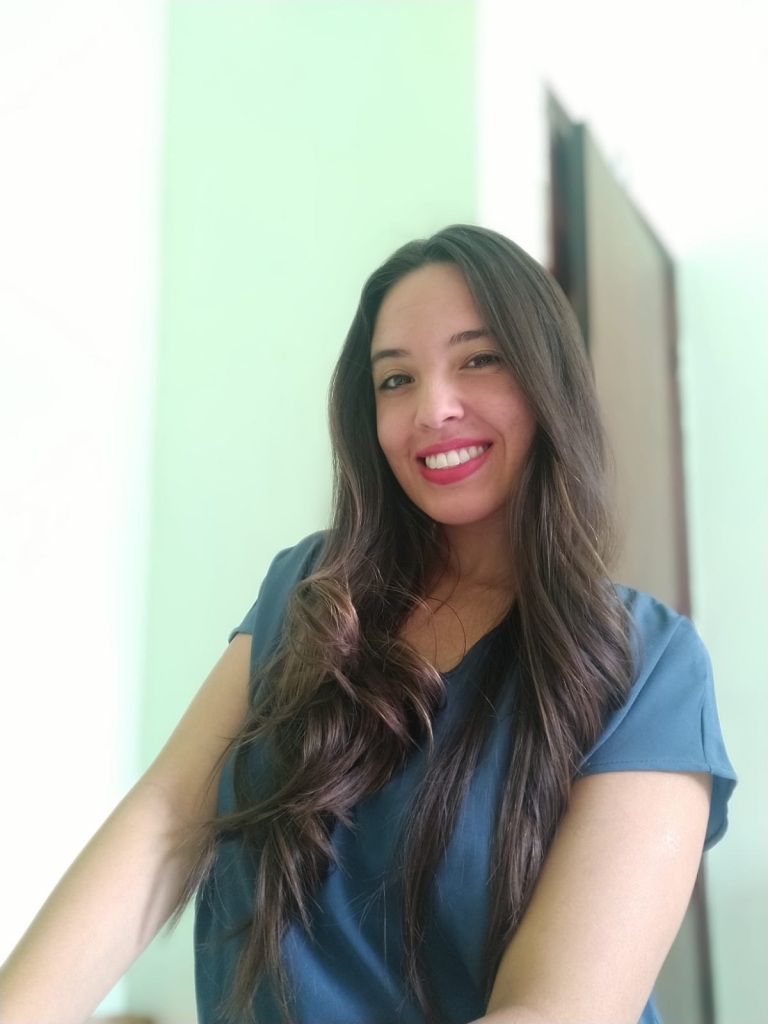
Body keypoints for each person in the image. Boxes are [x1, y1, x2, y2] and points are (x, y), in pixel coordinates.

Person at [0, 225, 735, 1024]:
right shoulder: (310, 593)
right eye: (395, 379)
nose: (432, 409)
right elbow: (165, 821)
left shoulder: (650, 666)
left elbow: (560, 1011)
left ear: (548, 378)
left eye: (480, 360)